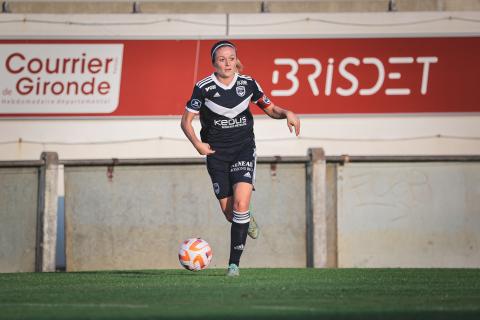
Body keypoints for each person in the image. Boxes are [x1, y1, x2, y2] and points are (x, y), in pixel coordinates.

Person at [181, 40, 300, 276]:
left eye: (231, 58)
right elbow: (186, 121)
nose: (227, 63)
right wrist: (197, 144)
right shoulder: (203, 87)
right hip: (216, 154)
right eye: (222, 59)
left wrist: (287, 112)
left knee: (240, 205)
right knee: (230, 213)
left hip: (243, 149)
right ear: (214, 62)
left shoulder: (248, 83)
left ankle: (233, 265)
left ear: (237, 61)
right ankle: (246, 219)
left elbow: (270, 108)